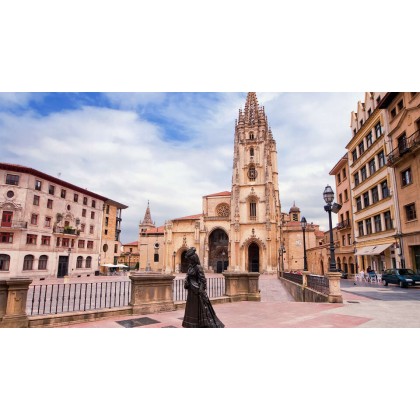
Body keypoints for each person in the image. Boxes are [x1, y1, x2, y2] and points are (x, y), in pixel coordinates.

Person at [182, 247, 225, 328]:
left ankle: (200, 323)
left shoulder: (198, 267)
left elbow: (203, 280)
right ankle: (191, 323)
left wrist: (201, 290)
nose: (189, 261)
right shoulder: (190, 267)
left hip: (197, 291)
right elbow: (188, 276)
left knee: (200, 308)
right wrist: (187, 281)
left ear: (193, 259)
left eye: (190, 259)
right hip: (191, 290)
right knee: (192, 308)